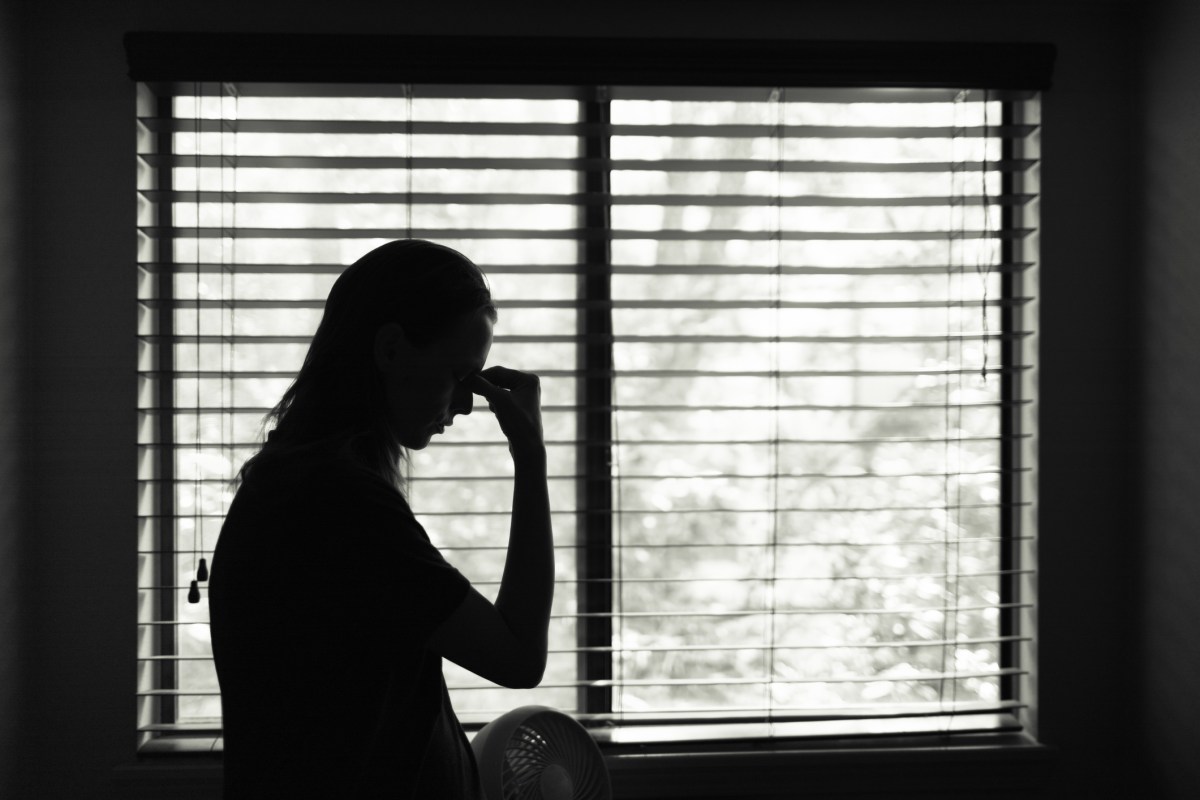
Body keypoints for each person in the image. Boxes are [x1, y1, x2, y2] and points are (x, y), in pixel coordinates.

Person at [208, 239, 553, 799]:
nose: (467, 405)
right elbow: (517, 657)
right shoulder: (337, 504)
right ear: (391, 349)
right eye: (458, 374)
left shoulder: (305, 483)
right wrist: (530, 457)